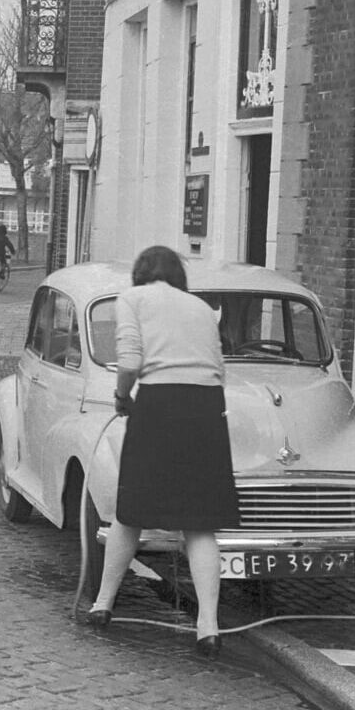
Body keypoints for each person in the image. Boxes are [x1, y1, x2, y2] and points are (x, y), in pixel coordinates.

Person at [86, 245, 238, 660]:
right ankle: (208, 627)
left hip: (158, 402)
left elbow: (130, 361)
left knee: (131, 510)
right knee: (200, 523)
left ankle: (102, 605)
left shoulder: (132, 298)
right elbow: (219, 369)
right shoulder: (202, 308)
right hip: (206, 408)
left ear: (140, 273)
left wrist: (122, 397)